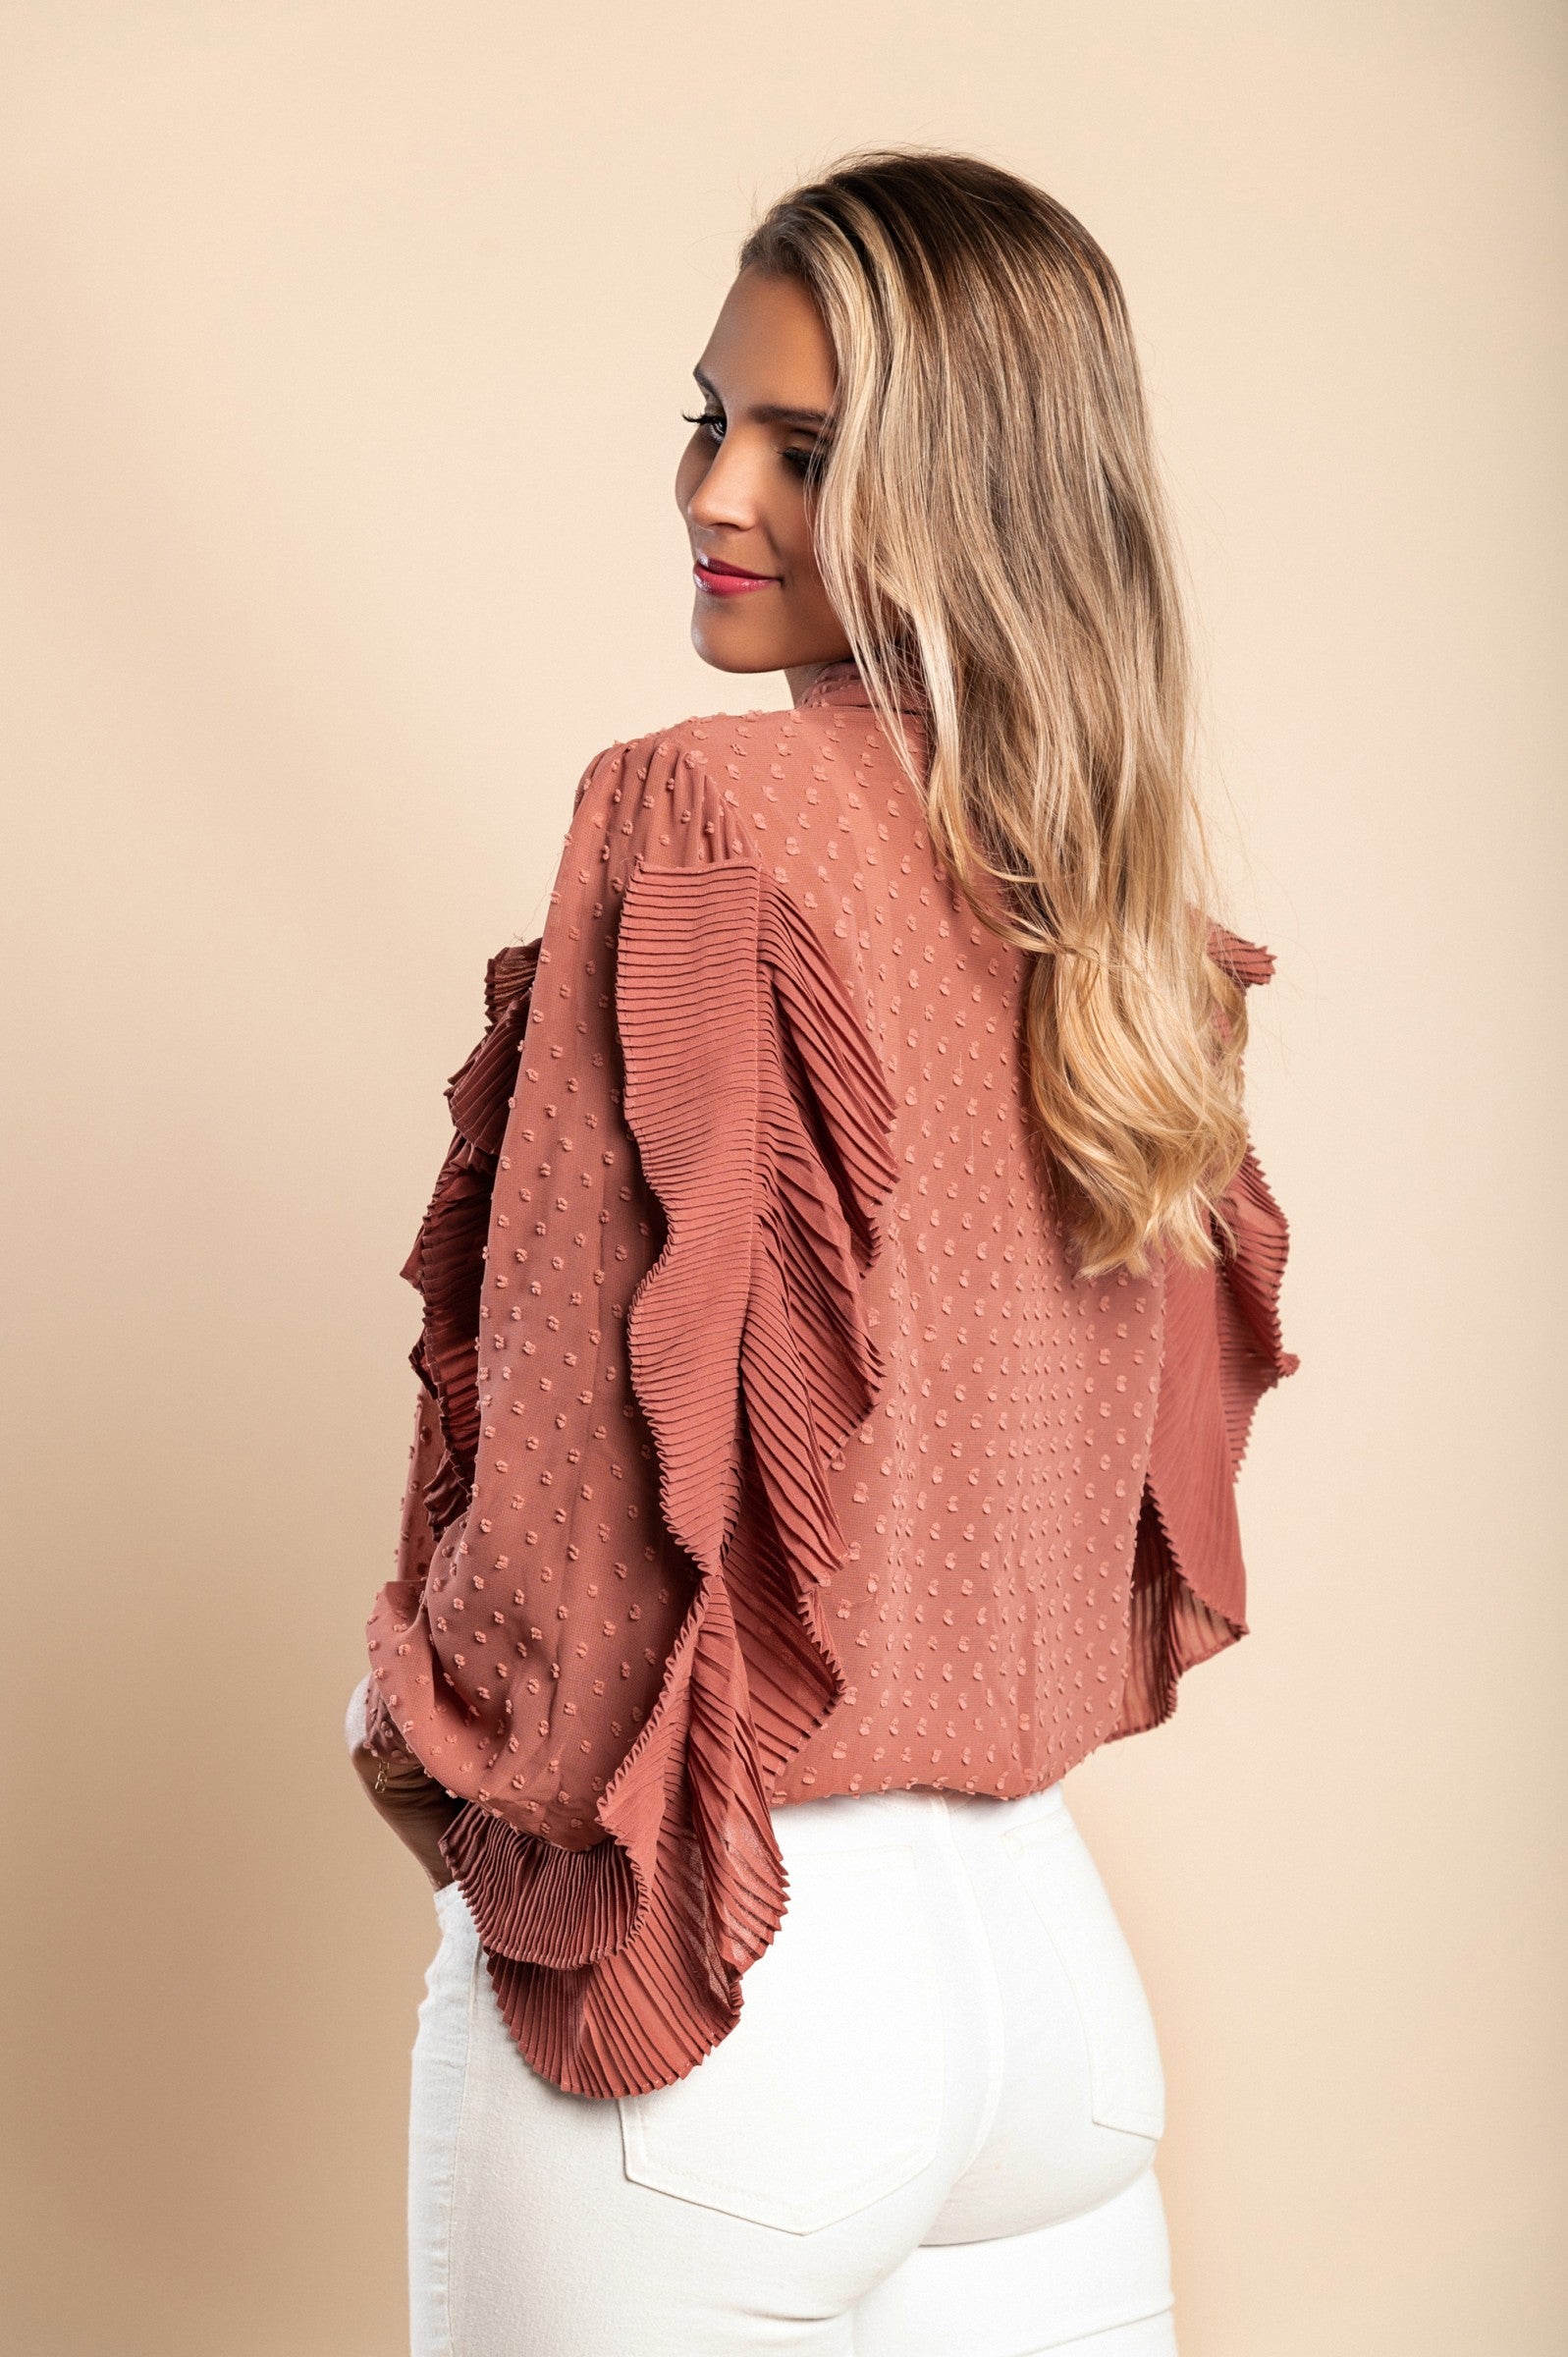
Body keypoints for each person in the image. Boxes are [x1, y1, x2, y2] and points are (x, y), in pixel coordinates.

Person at [345, 145, 1299, 2357]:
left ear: (971, 489)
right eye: (711, 421)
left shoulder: (702, 807)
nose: (717, 492)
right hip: (1043, 1985)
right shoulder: (1115, 907)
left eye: (805, 447)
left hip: (727, 1985)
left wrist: (420, 1737)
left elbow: (580, 1478)